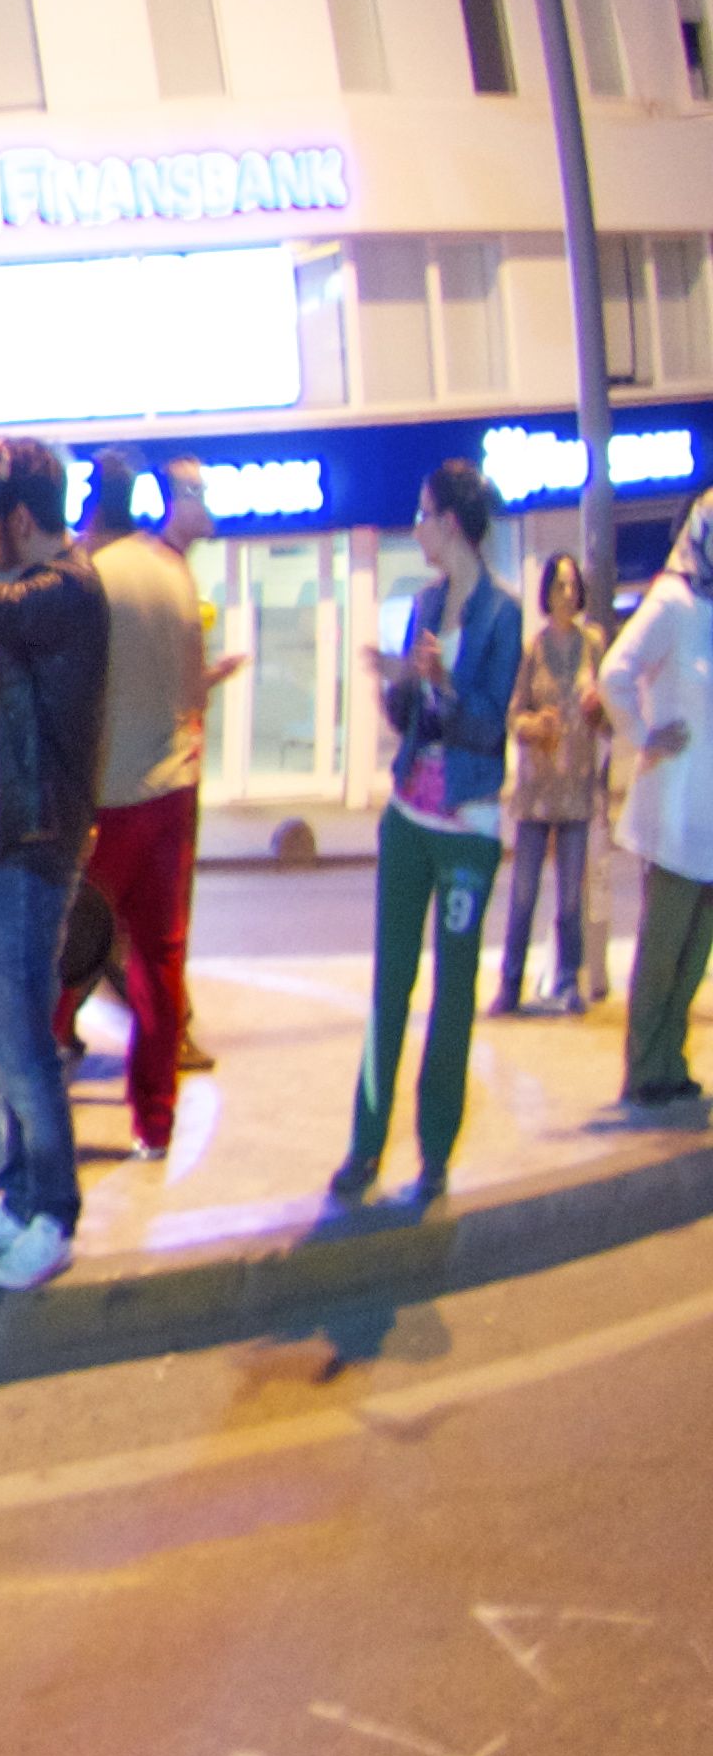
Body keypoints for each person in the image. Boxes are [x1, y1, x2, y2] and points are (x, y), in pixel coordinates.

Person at [0, 436, 105, 1291]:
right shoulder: (46, 592)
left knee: (23, 1041)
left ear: (11, 517)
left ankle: (55, 1211)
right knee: (0, 1036)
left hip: (33, 846)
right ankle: (15, 1193)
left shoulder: (69, 589)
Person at [342, 456, 520, 1210]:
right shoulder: (424, 601)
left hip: (469, 825)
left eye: (422, 515)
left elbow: (486, 724)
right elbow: (411, 720)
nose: (416, 527)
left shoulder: (504, 616)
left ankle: (435, 1151)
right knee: (389, 985)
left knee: (454, 995)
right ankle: (364, 1148)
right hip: (409, 817)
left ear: (452, 523)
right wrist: (401, 682)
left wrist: (443, 680)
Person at [73, 447, 235, 1157]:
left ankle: (37, 1080)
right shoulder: (175, 577)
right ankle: (155, 1122)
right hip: (172, 793)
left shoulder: (93, 577)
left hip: (106, 800)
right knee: (159, 959)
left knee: (72, 948)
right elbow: (192, 694)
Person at [592, 494, 713, 1114]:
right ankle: (646, 1068)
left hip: (711, 818)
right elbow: (614, 672)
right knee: (663, 949)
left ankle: (674, 1061)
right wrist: (643, 734)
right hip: (674, 814)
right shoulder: (671, 603)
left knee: (694, 956)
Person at [497, 553, 610, 1017]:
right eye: (558, 586)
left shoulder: (593, 645)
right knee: (523, 893)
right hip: (537, 790)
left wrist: (597, 708)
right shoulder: (534, 648)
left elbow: (609, 713)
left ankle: (568, 980)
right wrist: (532, 724)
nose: (566, 594)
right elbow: (513, 714)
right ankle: (510, 984)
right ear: (546, 593)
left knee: (569, 898)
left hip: (577, 786)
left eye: (572, 585)